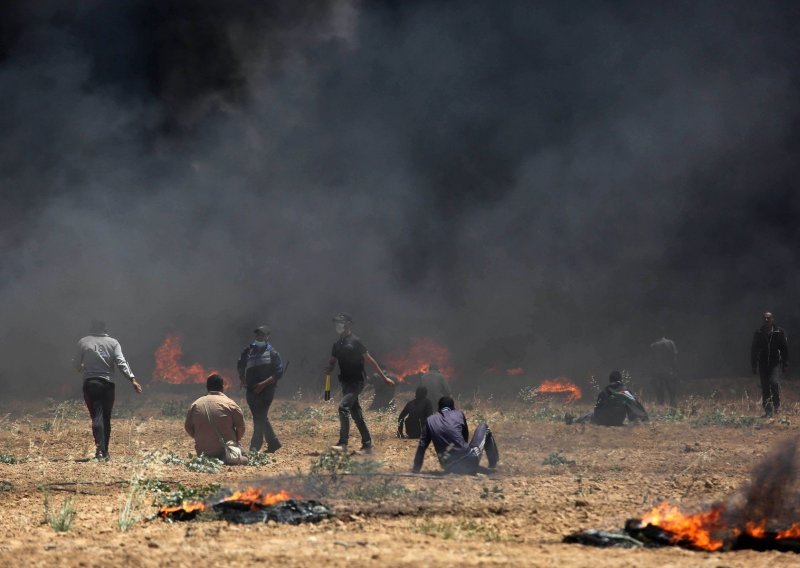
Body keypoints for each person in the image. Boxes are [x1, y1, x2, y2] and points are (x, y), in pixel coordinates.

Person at [324, 312, 394, 453]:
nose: (338, 325)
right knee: (356, 413)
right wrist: (329, 368)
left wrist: (384, 378)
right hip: (345, 381)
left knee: (343, 407)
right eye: (336, 323)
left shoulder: (356, 341)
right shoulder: (337, 344)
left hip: (357, 381)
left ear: (348, 324)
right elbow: (333, 360)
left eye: (340, 322)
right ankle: (367, 445)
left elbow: (370, 360)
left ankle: (343, 444)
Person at [74, 320, 142, 461]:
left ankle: (99, 450)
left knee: (96, 416)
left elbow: (76, 364)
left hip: (91, 383)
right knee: (106, 417)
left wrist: (81, 366)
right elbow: (121, 362)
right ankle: (105, 452)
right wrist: (132, 379)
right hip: (107, 384)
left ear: (91, 328)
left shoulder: (83, 342)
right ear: (105, 329)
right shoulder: (113, 343)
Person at [412, 395, 499, 474]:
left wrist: (416, 470)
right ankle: (493, 465)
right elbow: (465, 438)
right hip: (468, 458)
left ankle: (465, 466)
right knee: (484, 426)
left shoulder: (429, 420)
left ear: (438, 409)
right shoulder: (459, 414)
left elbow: (421, 447)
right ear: (453, 408)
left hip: (448, 466)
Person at [237, 325, 284, 454]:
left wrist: (263, 385)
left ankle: (254, 447)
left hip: (267, 390)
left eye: (262, 335)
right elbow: (240, 364)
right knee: (260, 417)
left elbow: (278, 373)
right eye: (257, 335)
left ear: (268, 337)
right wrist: (242, 378)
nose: (259, 337)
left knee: (259, 417)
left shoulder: (273, 353)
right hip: (251, 390)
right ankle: (273, 442)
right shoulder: (248, 350)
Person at [185, 374, 247, 462]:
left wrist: (201, 438)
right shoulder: (231, 404)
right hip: (226, 452)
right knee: (245, 458)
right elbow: (241, 428)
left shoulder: (196, 404)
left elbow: (187, 427)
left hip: (203, 454)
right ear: (222, 387)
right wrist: (235, 440)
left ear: (207, 387)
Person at [568, 371, 648, 426]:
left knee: (587, 415)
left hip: (603, 421)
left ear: (610, 380)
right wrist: (642, 418)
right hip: (618, 421)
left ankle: (573, 420)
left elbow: (597, 408)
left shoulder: (605, 390)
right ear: (620, 379)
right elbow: (635, 406)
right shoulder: (625, 391)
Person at [751, 311, 789, 417]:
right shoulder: (758, 333)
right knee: (765, 387)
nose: (766, 320)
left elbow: (784, 348)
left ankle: (777, 406)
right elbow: (754, 350)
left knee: (773, 383)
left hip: (775, 363)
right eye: (765, 318)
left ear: (773, 319)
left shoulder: (779, 332)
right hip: (763, 364)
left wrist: (785, 364)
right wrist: (754, 365)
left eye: (769, 318)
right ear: (762, 320)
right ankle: (768, 411)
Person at [650, 333, 679, 407]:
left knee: (659, 391)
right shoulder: (671, 343)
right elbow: (674, 358)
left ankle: (661, 407)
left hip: (658, 371)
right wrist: (675, 370)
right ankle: (673, 407)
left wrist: (652, 373)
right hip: (669, 370)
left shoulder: (654, 345)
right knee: (672, 391)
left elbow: (652, 361)